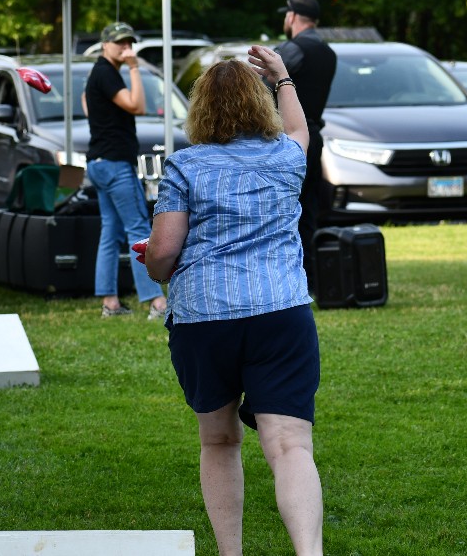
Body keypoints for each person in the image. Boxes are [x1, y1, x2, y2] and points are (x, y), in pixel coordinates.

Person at [144, 47, 324, 555]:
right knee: (290, 446)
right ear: (258, 105)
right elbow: (300, 131)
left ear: (199, 109)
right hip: (281, 313)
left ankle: (231, 554)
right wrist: (283, 76)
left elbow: (163, 253)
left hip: (205, 319)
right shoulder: (287, 157)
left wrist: (153, 265)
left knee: (219, 441)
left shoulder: (184, 166)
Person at [83, 21, 167, 320]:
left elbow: (85, 102)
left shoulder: (99, 74)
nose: (125, 47)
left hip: (99, 163)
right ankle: (156, 302)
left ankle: (110, 302)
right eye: (119, 42)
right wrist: (134, 68)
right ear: (105, 44)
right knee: (138, 230)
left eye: (129, 42)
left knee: (110, 232)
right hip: (116, 165)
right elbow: (137, 105)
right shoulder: (107, 72)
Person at [273, 0, 336, 298]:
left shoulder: (293, 49)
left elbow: (264, 84)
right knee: (308, 211)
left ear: (293, 17)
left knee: (283, 210)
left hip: (288, 141)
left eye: (286, 15)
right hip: (314, 139)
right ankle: (309, 283)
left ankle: (287, 282)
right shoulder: (328, 52)